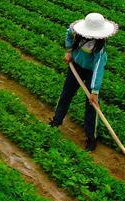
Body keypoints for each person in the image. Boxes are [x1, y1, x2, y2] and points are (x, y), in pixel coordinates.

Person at [49, 13, 117, 151]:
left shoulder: (100, 45)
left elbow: (98, 68)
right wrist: (69, 51)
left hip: (91, 72)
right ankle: (56, 121)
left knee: (92, 105)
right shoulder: (76, 31)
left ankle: (91, 138)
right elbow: (68, 34)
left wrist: (94, 91)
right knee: (66, 95)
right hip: (76, 67)